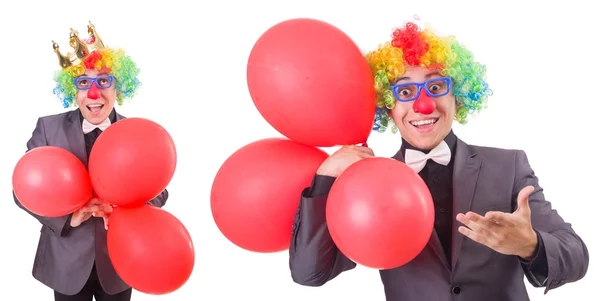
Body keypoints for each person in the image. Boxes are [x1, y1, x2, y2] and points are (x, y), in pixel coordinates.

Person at [289, 21, 589, 300]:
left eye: (435, 87)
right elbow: (310, 274)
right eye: (405, 91)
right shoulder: (363, 185)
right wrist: (325, 179)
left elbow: (576, 256)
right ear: (388, 106)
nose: (423, 105)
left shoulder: (508, 166)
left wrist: (530, 244)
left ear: (457, 95)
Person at [13, 22, 168, 301]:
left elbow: (160, 192)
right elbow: (22, 192)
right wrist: (68, 218)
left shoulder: (138, 134)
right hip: (67, 262)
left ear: (118, 87)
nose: (94, 94)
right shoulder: (49, 128)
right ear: (73, 90)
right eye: (84, 82)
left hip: (120, 262)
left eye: (103, 81)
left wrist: (122, 208)